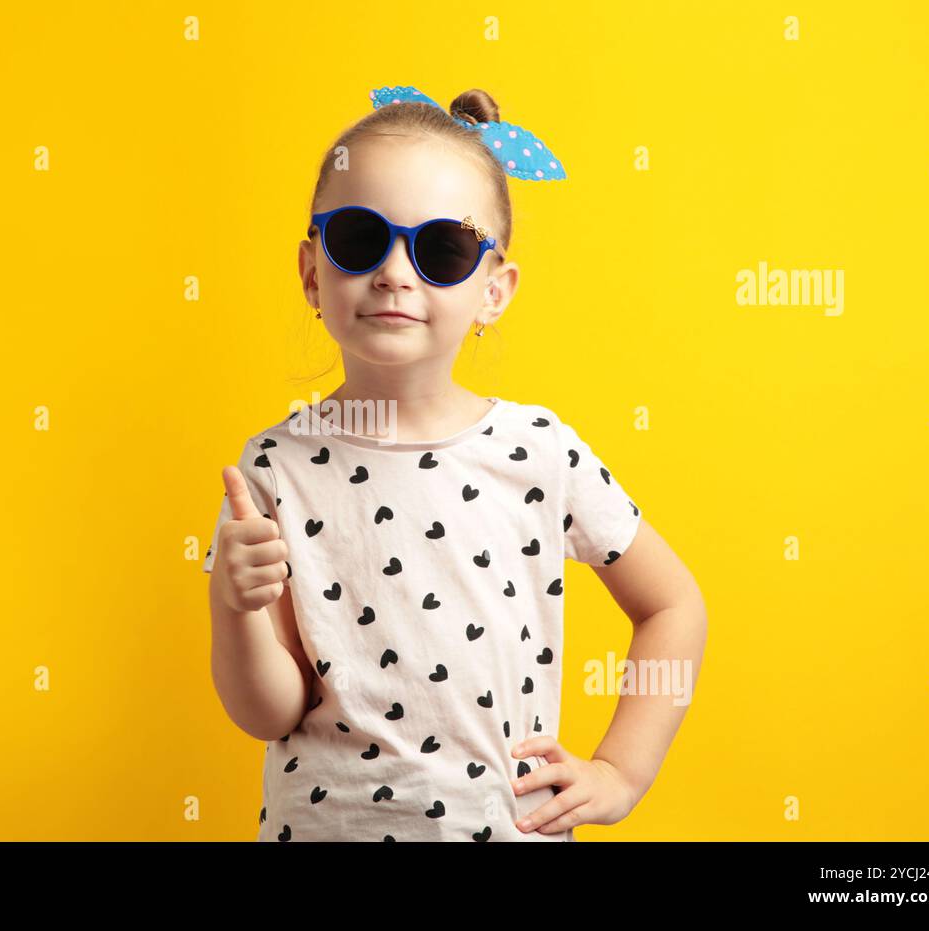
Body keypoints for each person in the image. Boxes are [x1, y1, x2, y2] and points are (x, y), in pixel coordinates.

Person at [202, 85, 707, 841]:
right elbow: (269, 710)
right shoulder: (275, 468)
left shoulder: (539, 451)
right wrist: (233, 607)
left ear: (493, 291)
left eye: (442, 249)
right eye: (359, 239)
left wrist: (620, 772)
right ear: (312, 272)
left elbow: (674, 607)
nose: (396, 272)